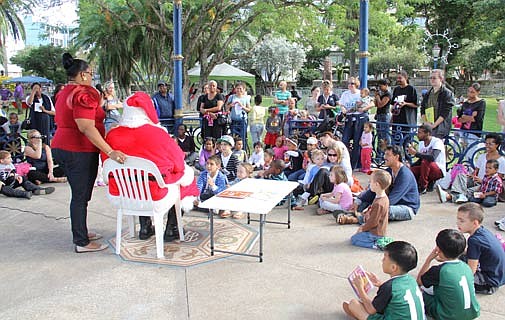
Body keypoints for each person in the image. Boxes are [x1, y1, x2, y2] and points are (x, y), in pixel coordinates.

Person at [52, 52, 125, 253]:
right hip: (78, 148)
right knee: (80, 195)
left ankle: (81, 231)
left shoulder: (65, 92)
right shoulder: (84, 93)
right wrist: (110, 151)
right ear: (83, 75)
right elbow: (85, 126)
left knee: (80, 194)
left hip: (62, 145)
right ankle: (81, 241)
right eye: (91, 74)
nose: (92, 77)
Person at [105, 92, 199, 241]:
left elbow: (106, 163)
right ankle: (172, 228)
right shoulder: (158, 134)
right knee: (187, 176)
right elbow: (178, 164)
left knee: (138, 180)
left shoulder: (112, 135)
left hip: (122, 192)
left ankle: (145, 227)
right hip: (155, 194)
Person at [343, 241, 424, 320]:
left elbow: (371, 310)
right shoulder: (411, 280)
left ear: (393, 267)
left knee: (353, 304)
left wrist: (360, 288)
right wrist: (380, 284)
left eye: (384, 258)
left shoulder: (388, 287)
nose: (382, 261)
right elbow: (395, 293)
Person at [417, 229, 480, 320]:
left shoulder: (439, 271)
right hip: (473, 313)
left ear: (438, 250)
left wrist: (429, 259)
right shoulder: (466, 267)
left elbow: (419, 280)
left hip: (448, 316)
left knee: (420, 291)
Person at [354, 145, 420, 221]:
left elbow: (393, 198)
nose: (384, 157)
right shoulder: (388, 171)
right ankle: (352, 213)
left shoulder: (405, 175)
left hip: (407, 207)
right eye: (385, 154)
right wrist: (359, 200)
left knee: (381, 210)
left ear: (396, 157)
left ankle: (355, 219)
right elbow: (375, 189)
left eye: (388, 155)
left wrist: (372, 208)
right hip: (393, 203)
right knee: (365, 203)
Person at [436, 133, 505, 204]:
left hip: (485, 185)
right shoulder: (482, 156)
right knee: (461, 176)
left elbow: (497, 180)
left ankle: (449, 196)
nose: (487, 146)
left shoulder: (501, 160)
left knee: (470, 191)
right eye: (486, 143)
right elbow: (476, 170)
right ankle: (458, 195)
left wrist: (482, 181)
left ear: (497, 145)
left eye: (490, 144)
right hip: (476, 180)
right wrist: (473, 175)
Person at [456, 203, 505, 295]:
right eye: (458, 220)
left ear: (475, 222)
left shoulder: (474, 240)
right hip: (499, 275)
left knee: (453, 276)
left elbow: (470, 272)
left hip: (490, 283)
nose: (457, 223)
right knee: (459, 255)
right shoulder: (483, 231)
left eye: (461, 221)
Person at [349, 170, 391, 249]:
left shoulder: (379, 203)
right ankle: (376, 240)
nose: (369, 184)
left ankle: (376, 245)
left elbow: (373, 222)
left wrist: (362, 228)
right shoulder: (383, 197)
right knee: (358, 234)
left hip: (376, 232)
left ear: (376, 184)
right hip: (379, 230)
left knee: (354, 239)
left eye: (370, 182)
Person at [407, 125, 446, 194]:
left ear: (427, 133)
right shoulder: (421, 143)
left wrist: (416, 153)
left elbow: (433, 158)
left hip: (438, 170)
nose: (417, 135)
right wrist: (410, 166)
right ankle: (413, 186)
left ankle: (423, 186)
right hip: (426, 168)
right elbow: (420, 160)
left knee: (426, 161)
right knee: (411, 170)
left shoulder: (437, 142)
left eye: (420, 133)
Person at [342, 77, 369, 169]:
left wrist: (363, 108)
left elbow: (371, 102)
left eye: (352, 83)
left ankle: (355, 164)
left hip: (358, 118)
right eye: (349, 83)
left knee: (357, 142)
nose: (350, 85)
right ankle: (345, 160)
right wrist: (343, 110)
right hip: (349, 118)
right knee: (345, 140)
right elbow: (342, 105)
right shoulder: (345, 94)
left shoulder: (360, 93)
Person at [421, 69, 455, 139]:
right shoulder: (427, 94)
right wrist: (426, 123)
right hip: (428, 128)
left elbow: (445, 112)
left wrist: (434, 125)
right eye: (431, 78)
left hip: (440, 129)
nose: (432, 80)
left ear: (441, 79)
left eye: (434, 78)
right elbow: (422, 108)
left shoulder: (447, 93)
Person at [457, 83, 486, 158]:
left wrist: (465, 117)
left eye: (472, 92)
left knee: (471, 155)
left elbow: (477, 119)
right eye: (469, 91)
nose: (469, 94)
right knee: (462, 155)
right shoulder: (465, 103)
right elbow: (459, 119)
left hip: (474, 132)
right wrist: (470, 116)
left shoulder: (481, 103)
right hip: (463, 131)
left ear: (478, 92)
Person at [391, 71, 418, 147]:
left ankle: (407, 158)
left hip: (407, 121)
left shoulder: (411, 89)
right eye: (397, 78)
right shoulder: (396, 89)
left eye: (400, 78)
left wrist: (406, 104)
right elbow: (393, 103)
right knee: (396, 144)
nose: (398, 80)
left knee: (407, 143)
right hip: (397, 120)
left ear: (405, 78)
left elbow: (416, 105)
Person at [373, 78, 392, 156]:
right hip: (380, 115)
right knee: (379, 135)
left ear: (386, 86)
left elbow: (381, 104)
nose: (380, 88)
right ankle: (379, 154)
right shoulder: (381, 94)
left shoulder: (388, 94)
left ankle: (386, 153)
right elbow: (377, 105)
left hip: (384, 116)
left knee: (385, 136)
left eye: (381, 86)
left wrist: (378, 97)